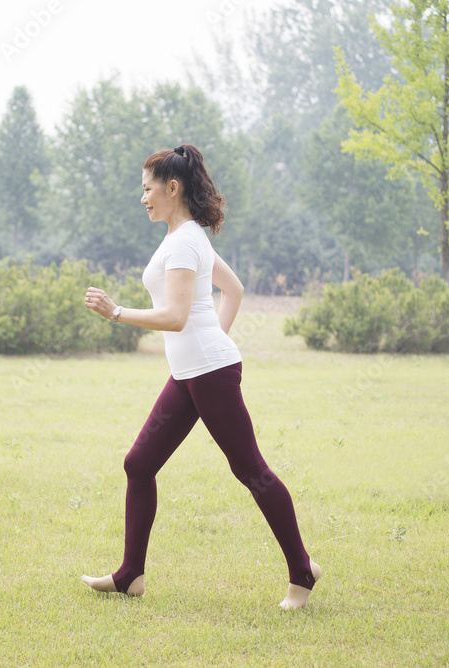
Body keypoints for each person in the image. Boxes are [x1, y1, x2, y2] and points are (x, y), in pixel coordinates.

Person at [81, 144, 320, 609]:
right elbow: (233, 289)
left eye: (148, 189)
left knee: (250, 469)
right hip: (192, 371)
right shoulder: (182, 239)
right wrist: (212, 342)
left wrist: (117, 312)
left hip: (208, 372)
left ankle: (302, 573)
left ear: (172, 188)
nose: (143, 197)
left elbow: (174, 315)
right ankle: (131, 575)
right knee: (139, 464)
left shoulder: (187, 241)